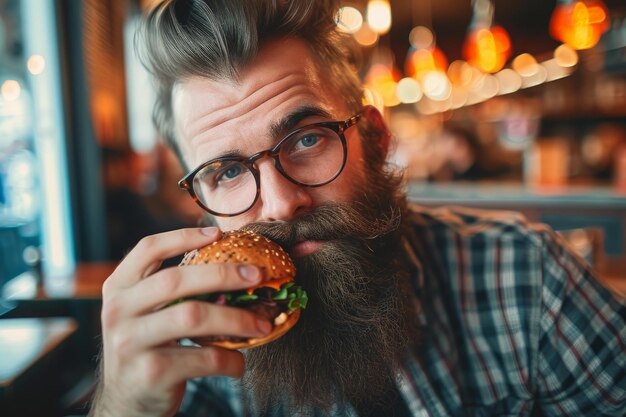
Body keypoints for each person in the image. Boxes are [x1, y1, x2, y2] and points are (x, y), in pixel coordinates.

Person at [88, 1, 626, 416]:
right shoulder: (187, 349)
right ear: (200, 205)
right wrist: (120, 404)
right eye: (227, 172)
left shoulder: (527, 280)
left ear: (375, 137)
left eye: (306, 140)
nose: (280, 204)